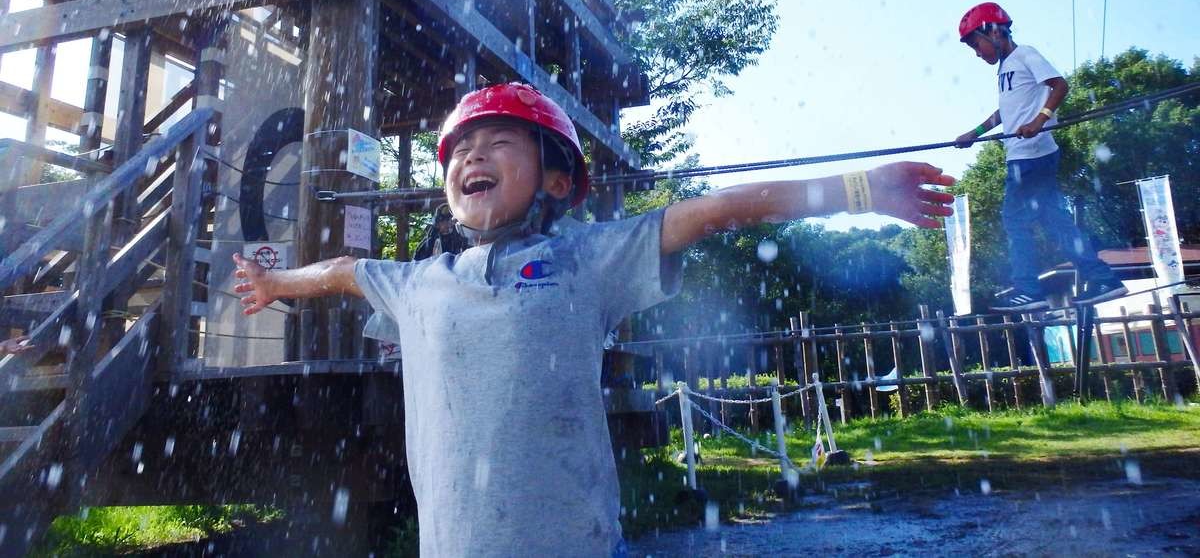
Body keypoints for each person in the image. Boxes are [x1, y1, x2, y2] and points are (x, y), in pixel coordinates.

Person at [234, 82, 953, 557]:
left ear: (556, 180)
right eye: (462, 150)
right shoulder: (419, 282)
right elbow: (339, 273)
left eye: (501, 143)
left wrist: (857, 187)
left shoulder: (586, 260)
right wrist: (275, 282)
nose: (475, 155)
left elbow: (717, 210)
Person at [954, 2, 1127, 311]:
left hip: (1029, 155)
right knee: (1055, 221)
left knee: (1014, 221)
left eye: (975, 44)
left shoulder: (1025, 54)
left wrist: (1039, 120)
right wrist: (975, 133)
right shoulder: (1005, 68)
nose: (977, 53)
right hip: (1033, 155)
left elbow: (1060, 85)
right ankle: (1103, 279)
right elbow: (1005, 113)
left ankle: (1028, 290)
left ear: (994, 31)